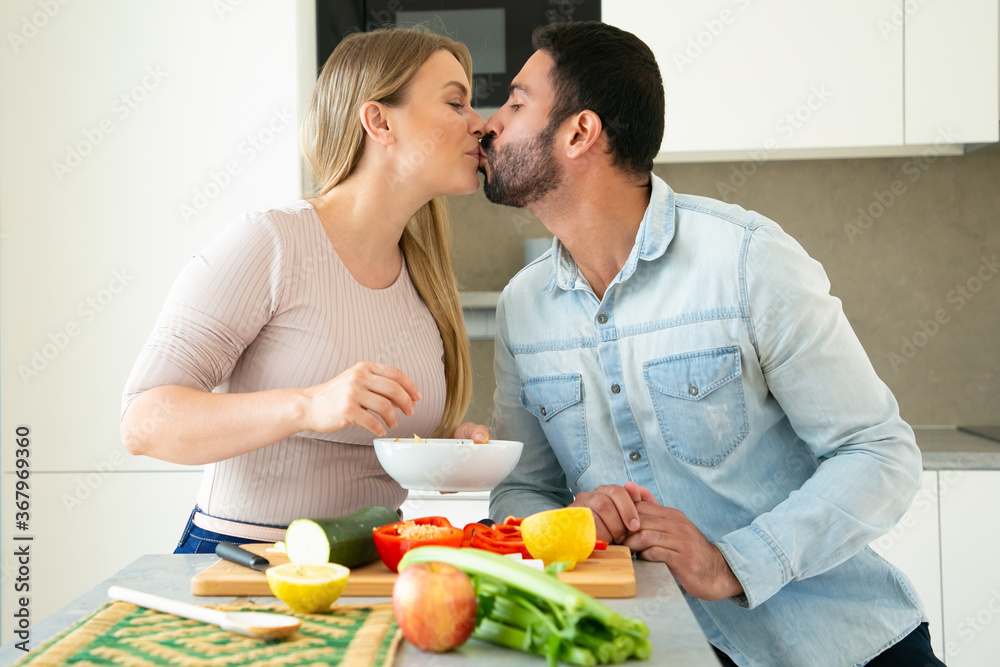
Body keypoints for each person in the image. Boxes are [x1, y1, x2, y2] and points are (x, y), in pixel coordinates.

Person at [483, 21, 943, 667]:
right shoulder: (523, 308)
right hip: (665, 647)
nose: (489, 124)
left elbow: (878, 453)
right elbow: (522, 490)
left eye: (517, 102)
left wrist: (735, 562)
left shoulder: (748, 259)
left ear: (579, 132)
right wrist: (580, 516)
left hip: (838, 647)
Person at [120, 26, 490, 554]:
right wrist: (307, 405)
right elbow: (142, 423)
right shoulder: (271, 241)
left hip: (370, 562)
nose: (481, 123)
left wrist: (445, 449)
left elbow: (362, 436)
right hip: (244, 563)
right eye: (456, 103)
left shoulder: (423, 273)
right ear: (379, 121)